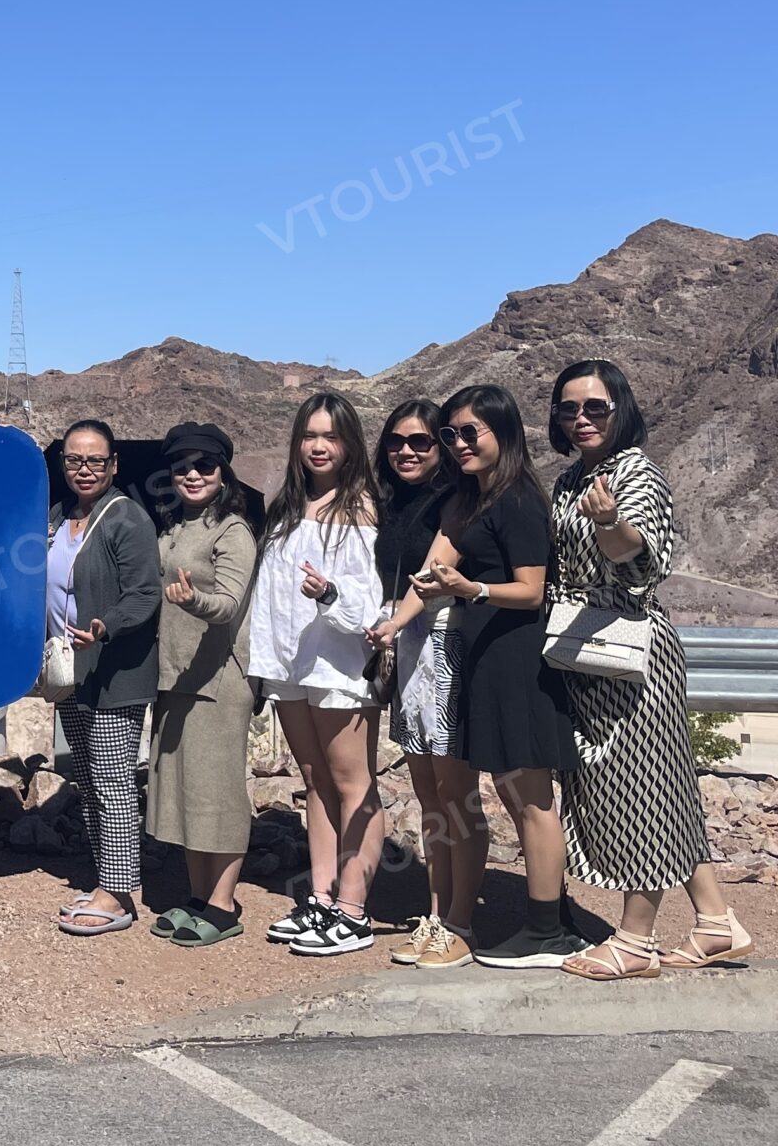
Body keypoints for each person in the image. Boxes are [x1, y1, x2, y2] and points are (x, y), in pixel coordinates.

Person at [546, 359, 751, 980]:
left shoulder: (635, 472)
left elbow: (641, 562)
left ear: (620, 410)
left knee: (642, 790)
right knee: (666, 786)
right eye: (569, 408)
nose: (581, 418)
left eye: (595, 408)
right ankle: (717, 922)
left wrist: (609, 524)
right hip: (584, 653)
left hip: (631, 652)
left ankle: (635, 941)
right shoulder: (569, 478)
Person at [412, 383, 583, 968]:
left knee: (531, 797)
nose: (459, 444)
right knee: (515, 793)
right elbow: (439, 565)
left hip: (519, 663)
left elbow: (531, 591)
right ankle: (549, 917)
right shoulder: (479, 499)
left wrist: (472, 589)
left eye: (470, 433)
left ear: (503, 434)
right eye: (449, 435)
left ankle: (546, 931)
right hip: (489, 662)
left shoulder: (516, 500)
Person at [245, 390, 384, 958]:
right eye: (310, 435)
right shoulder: (285, 510)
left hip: (339, 666)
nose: (319, 446)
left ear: (350, 443)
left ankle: (355, 910)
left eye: (331, 435)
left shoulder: (361, 511)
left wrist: (329, 594)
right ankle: (322, 898)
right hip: (289, 666)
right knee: (315, 781)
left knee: (353, 784)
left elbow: (368, 605)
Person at [364, 400, 480, 971]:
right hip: (408, 651)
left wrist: (395, 622)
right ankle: (436, 913)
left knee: (456, 794)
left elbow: (433, 579)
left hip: (445, 646)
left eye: (421, 442)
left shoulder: (455, 502)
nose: (406, 451)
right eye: (396, 442)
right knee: (429, 794)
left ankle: (460, 920)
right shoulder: (394, 504)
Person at [144, 423, 261, 948]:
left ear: (223, 471)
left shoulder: (232, 531)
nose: (192, 474)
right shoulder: (170, 528)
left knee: (219, 796)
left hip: (217, 679)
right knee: (186, 792)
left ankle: (224, 904)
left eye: (204, 465)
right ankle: (198, 896)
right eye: (182, 466)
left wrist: (195, 602)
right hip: (174, 677)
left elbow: (229, 603)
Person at [51, 420, 163, 938]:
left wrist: (106, 626)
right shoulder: (58, 518)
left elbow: (144, 593)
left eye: (96, 460)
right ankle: (104, 877)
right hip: (69, 668)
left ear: (114, 464)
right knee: (88, 775)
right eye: (75, 459)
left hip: (116, 669)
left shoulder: (127, 519)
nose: (85, 469)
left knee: (113, 777)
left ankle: (119, 894)